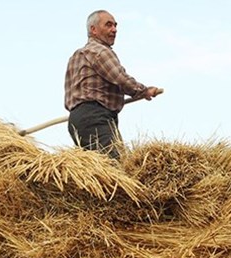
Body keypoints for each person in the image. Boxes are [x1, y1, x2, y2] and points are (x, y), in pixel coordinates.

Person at [64, 9, 162, 161]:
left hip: (77, 120)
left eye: (115, 26)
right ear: (93, 29)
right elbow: (121, 79)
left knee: (98, 172)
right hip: (95, 117)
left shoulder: (76, 56)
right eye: (108, 25)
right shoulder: (99, 51)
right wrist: (143, 91)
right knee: (116, 166)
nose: (114, 29)